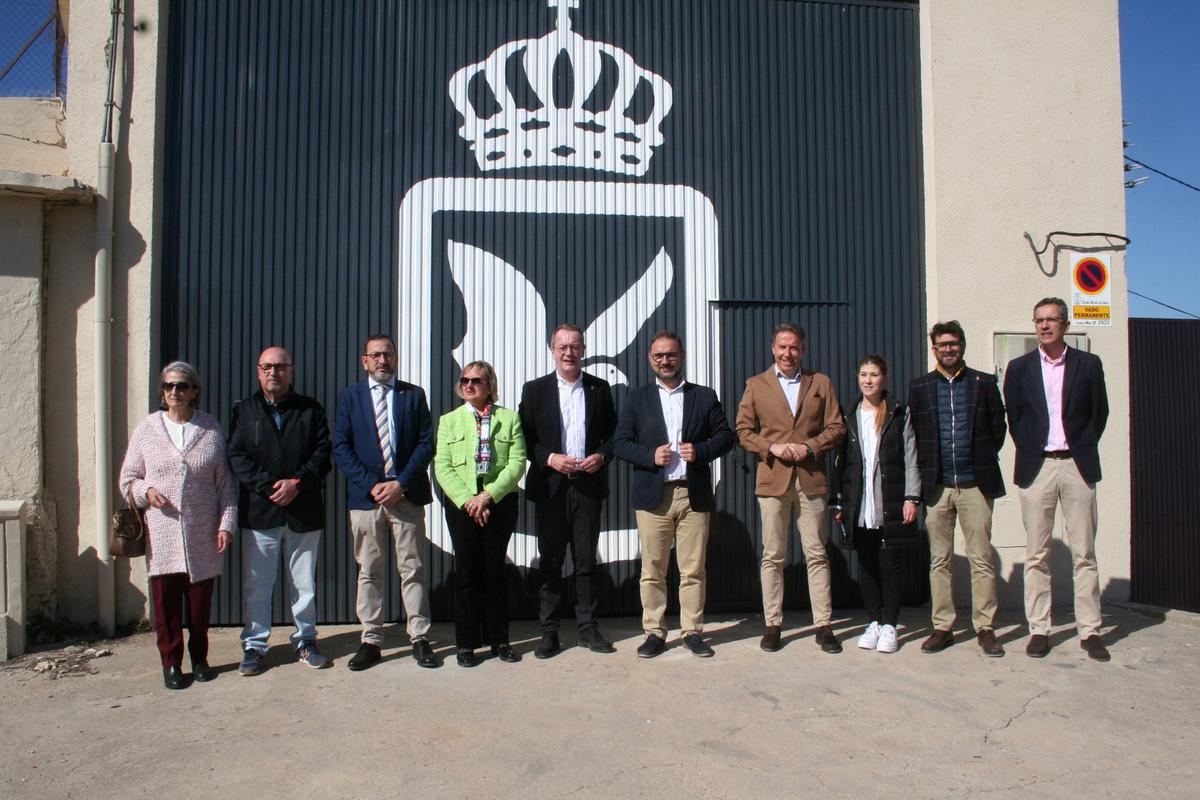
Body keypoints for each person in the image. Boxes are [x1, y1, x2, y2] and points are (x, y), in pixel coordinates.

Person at [612, 331, 735, 658]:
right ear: (650, 359)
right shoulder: (637, 399)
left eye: (671, 355)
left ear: (682, 356)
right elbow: (620, 443)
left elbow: (726, 437)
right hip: (654, 497)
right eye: (658, 356)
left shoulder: (704, 396)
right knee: (653, 569)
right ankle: (654, 632)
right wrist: (649, 455)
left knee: (693, 569)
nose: (665, 361)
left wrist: (702, 450)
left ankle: (692, 632)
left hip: (691, 495)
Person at [118, 361, 238, 690]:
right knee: (166, 607)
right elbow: (127, 479)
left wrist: (226, 525)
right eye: (169, 386)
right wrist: (147, 492)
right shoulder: (147, 429)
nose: (175, 392)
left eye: (182, 386)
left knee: (199, 608)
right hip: (162, 534)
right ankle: (171, 663)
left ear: (194, 391)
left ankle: (199, 658)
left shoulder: (210, 430)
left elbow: (226, 486)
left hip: (203, 535)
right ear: (162, 391)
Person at [1003, 298, 1111, 661]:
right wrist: (1036, 448)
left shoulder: (1088, 364)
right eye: (1039, 320)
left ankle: (1090, 631)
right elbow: (1015, 419)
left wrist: (1080, 445)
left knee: (1085, 553)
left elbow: (1100, 413)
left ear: (1065, 325)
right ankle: (1039, 629)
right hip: (1038, 467)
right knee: (1036, 554)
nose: (1045, 326)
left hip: (1077, 465)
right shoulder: (1019, 368)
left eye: (1052, 320)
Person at [735, 323, 846, 654]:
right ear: (773, 349)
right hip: (773, 479)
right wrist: (771, 448)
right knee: (773, 555)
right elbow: (742, 430)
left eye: (794, 347)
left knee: (817, 553)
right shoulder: (756, 385)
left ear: (803, 350)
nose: (788, 353)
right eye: (782, 347)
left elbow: (837, 426)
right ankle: (772, 624)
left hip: (811, 478)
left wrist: (810, 447)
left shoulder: (820, 382)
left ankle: (823, 625)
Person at [333, 334, 439, 671]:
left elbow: (426, 443)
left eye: (388, 354)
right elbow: (342, 447)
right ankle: (371, 640)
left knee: (413, 569)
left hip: (405, 497)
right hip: (366, 500)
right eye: (376, 355)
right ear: (364, 360)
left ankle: (420, 637)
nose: (383, 360)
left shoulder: (413, 395)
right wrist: (374, 485)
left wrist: (400, 484)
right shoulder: (351, 397)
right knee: (369, 570)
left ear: (396, 358)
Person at [227, 346, 332, 675]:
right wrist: (269, 486)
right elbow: (237, 455)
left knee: (304, 584)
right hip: (261, 512)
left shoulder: (310, 409)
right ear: (258, 371)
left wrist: (297, 483)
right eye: (268, 367)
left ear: (292, 370)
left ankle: (305, 640)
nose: (274, 372)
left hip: (304, 510)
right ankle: (255, 645)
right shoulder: (245, 410)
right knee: (258, 584)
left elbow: (323, 453)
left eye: (281, 367)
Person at [907, 321, 1007, 657]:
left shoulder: (984, 383)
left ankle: (985, 627)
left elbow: (998, 430)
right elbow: (917, 436)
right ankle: (943, 627)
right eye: (941, 344)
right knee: (940, 560)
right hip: (937, 486)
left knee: (981, 558)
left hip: (975, 484)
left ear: (962, 345)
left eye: (953, 343)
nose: (948, 349)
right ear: (933, 348)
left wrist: (978, 460)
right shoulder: (920, 388)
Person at [518, 323, 618, 658]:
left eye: (575, 347)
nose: (569, 353)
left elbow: (613, 435)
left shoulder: (599, 389)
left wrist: (601, 456)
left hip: (587, 487)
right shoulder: (534, 391)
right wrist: (548, 458)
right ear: (552, 351)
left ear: (584, 350)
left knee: (586, 561)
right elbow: (525, 439)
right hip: (551, 488)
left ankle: (588, 628)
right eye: (562, 347)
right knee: (550, 562)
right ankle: (549, 632)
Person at [433, 361, 528, 667]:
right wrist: (468, 501)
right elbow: (442, 466)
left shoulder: (509, 418)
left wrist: (488, 496)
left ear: (490, 385)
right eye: (464, 380)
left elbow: (517, 462)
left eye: (476, 380)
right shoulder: (449, 421)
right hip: (463, 508)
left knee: (494, 572)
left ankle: (500, 640)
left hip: (498, 504)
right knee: (467, 574)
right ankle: (466, 644)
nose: (469, 385)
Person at [830, 355, 920, 654]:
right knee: (867, 566)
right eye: (863, 374)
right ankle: (874, 622)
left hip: (890, 501)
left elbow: (910, 458)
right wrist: (839, 501)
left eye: (874, 375)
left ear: (885, 378)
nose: (868, 380)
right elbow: (842, 463)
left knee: (889, 566)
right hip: (860, 504)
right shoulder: (849, 414)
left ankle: (891, 625)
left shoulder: (898, 412)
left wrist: (911, 497)